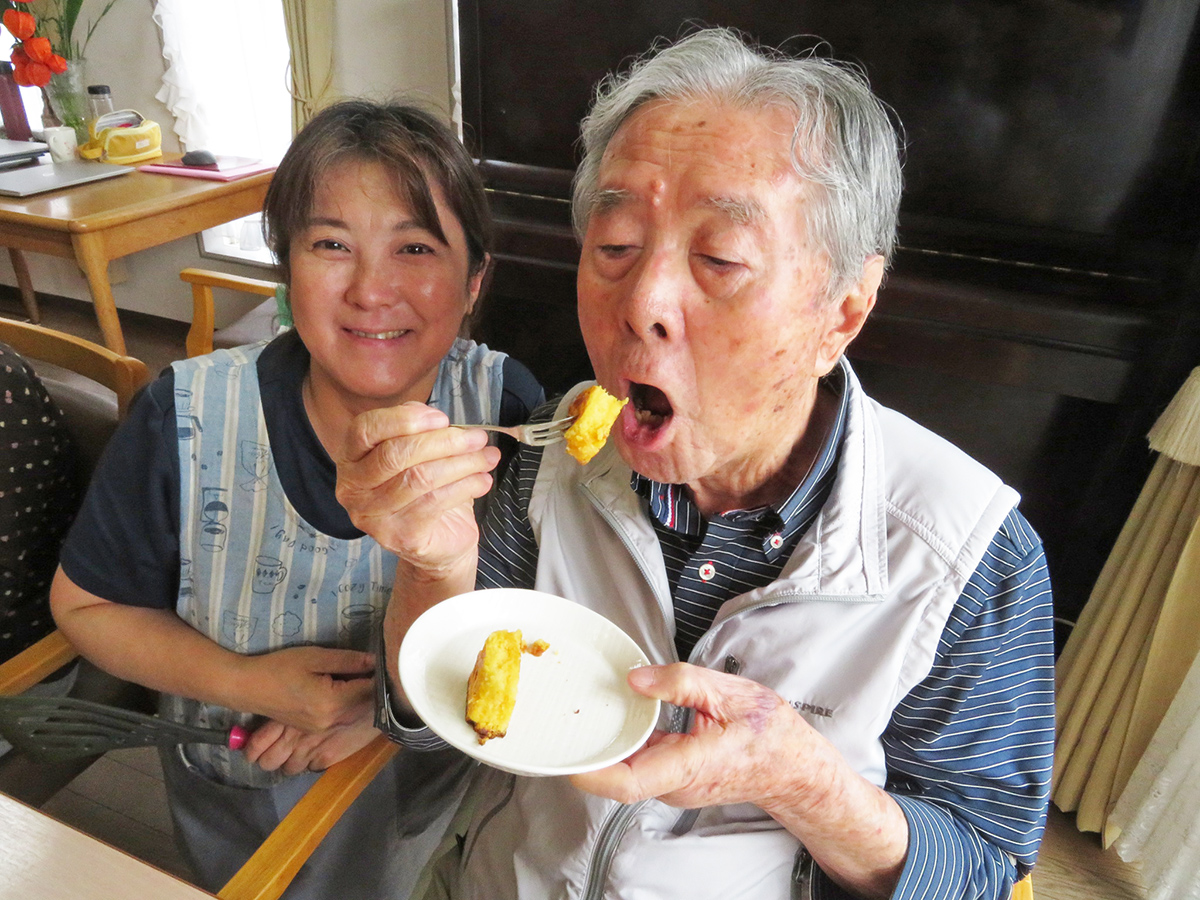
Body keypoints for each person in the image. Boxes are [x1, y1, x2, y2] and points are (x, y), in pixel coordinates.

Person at [338, 29, 1055, 900]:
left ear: (843, 311)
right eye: (614, 248)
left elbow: (980, 872)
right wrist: (434, 563)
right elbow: (432, 721)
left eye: (719, 260)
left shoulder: (970, 560)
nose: (642, 304)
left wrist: (800, 779)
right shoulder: (548, 458)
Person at [49, 100, 543, 899]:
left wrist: (383, 709)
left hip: (424, 801)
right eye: (331, 245)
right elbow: (88, 608)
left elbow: (521, 628)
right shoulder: (186, 415)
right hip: (234, 796)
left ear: (472, 282)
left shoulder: (508, 410)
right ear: (286, 269)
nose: (371, 290)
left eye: (415, 247)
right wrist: (256, 685)